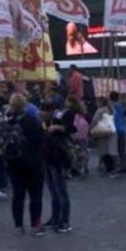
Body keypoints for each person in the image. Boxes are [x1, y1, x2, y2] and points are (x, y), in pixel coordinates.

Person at [5, 94, 46, 236]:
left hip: (15, 164)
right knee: (35, 195)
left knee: (18, 195)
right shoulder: (33, 121)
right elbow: (42, 141)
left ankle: (18, 225)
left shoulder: (9, 122)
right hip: (33, 163)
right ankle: (36, 223)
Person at [44, 98, 75, 233]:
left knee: (60, 190)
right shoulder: (46, 121)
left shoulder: (61, 117)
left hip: (57, 156)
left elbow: (71, 128)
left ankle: (64, 221)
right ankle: (55, 217)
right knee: (53, 190)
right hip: (48, 156)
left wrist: (57, 127)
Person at [90, 95, 118, 175]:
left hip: (102, 132)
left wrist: (92, 130)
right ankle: (112, 168)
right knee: (110, 150)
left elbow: (94, 120)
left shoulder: (100, 110)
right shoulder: (111, 109)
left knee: (104, 150)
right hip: (111, 131)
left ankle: (108, 168)